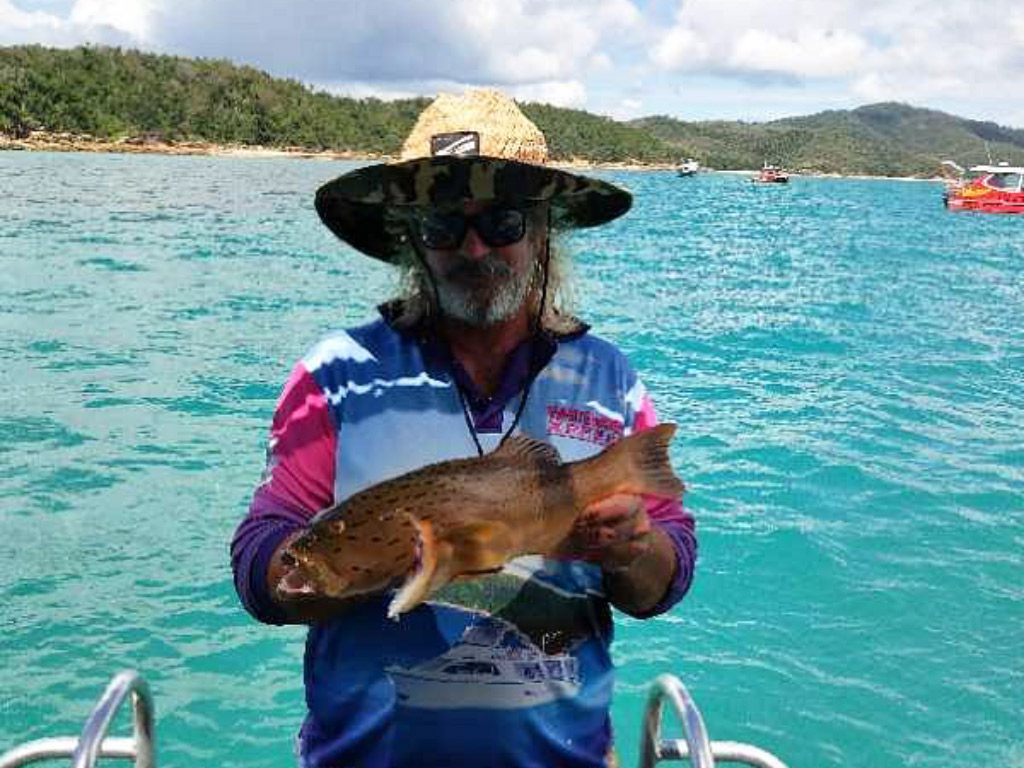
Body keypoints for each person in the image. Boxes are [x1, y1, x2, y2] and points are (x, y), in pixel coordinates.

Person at [231, 89, 697, 768]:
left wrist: (632, 549)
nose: (474, 248)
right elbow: (260, 555)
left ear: (543, 233)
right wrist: (318, 574)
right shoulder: (334, 375)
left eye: (503, 222)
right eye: (444, 225)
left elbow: (669, 573)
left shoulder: (610, 380)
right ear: (413, 241)